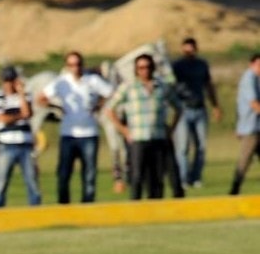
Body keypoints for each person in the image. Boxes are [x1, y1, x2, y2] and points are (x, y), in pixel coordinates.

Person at [37, 51, 113, 203]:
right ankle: (64, 205)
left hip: (89, 133)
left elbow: (111, 93)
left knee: (89, 173)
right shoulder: (62, 82)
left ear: (82, 65)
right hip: (68, 134)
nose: (75, 68)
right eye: (71, 65)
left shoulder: (92, 80)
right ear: (67, 66)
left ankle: (87, 204)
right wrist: (56, 108)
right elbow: (41, 98)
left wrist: (98, 105)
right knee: (64, 173)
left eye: (78, 64)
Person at [106, 53, 182, 200]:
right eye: (141, 68)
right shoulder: (128, 87)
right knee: (137, 176)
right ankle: (136, 208)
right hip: (138, 137)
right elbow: (109, 109)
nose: (144, 71)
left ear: (152, 68)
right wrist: (124, 130)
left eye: (147, 67)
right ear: (136, 70)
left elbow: (178, 107)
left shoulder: (161, 86)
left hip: (158, 136)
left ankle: (156, 207)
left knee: (157, 177)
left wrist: (171, 129)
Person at [0, 66, 41, 208]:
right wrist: (19, 116)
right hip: (6, 145)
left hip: (25, 144)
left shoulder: (25, 95)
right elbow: (2, 119)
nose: (8, 84)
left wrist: (21, 93)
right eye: (6, 80)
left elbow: (28, 113)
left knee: (32, 182)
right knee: (1, 182)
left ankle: (36, 211)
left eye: (11, 80)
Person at [172, 37, 221, 189]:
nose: (189, 51)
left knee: (201, 146)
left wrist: (215, 105)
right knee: (183, 146)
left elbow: (208, 84)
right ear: (182, 49)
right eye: (186, 48)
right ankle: (183, 179)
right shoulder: (176, 66)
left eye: (191, 48)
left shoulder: (202, 65)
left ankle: (196, 177)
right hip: (183, 109)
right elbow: (169, 83)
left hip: (200, 108)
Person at [230, 54, 260, 196]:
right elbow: (253, 103)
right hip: (251, 128)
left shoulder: (256, 79)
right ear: (251, 64)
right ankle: (234, 191)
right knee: (244, 161)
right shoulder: (249, 79)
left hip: (257, 127)